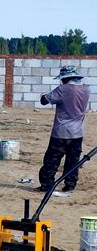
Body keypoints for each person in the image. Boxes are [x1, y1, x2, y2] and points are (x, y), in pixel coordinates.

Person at [36, 65, 90, 193]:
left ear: (65, 79)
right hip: (77, 133)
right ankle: (70, 185)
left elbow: (44, 101)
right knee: (73, 161)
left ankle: (47, 185)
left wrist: (44, 95)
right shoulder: (86, 89)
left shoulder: (63, 90)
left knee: (52, 160)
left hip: (61, 132)